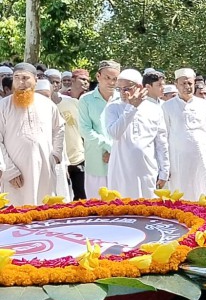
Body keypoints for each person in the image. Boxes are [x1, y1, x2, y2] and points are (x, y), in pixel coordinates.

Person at [0, 63, 65, 206]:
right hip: (16, 174)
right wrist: (10, 171)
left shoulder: (47, 105)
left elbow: (59, 128)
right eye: (16, 78)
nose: (21, 83)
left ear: (35, 80)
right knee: (16, 213)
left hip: (44, 169)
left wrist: (55, 155)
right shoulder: (3, 106)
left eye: (25, 78)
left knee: (43, 210)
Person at [104, 69, 169, 199]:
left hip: (147, 169)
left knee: (147, 210)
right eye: (119, 89)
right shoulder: (113, 108)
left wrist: (164, 171)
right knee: (122, 211)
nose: (123, 92)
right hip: (121, 169)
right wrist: (131, 108)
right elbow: (115, 133)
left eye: (127, 88)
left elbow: (161, 142)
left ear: (139, 87)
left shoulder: (154, 109)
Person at [162, 68, 206, 201]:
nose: (187, 87)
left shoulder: (202, 104)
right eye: (183, 84)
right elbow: (163, 137)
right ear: (176, 84)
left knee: (202, 193)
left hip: (201, 158)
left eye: (190, 83)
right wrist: (165, 165)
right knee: (180, 195)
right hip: (178, 161)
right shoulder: (167, 107)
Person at [78, 60, 120, 198]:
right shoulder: (86, 100)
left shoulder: (122, 100)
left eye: (115, 79)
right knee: (97, 206)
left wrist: (115, 151)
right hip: (96, 161)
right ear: (98, 77)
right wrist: (109, 147)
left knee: (121, 207)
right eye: (107, 78)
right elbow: (85, 130)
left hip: (120, 161)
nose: (111, 82)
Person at [47, 69, 86, 200]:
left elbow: (83, 128)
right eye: (51, 82)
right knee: (60, 198)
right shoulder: (41, 106)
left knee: (82, 197)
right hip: (55, 161)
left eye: (57, 82)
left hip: (77, 157)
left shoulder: (72, 102)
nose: (54, 85)